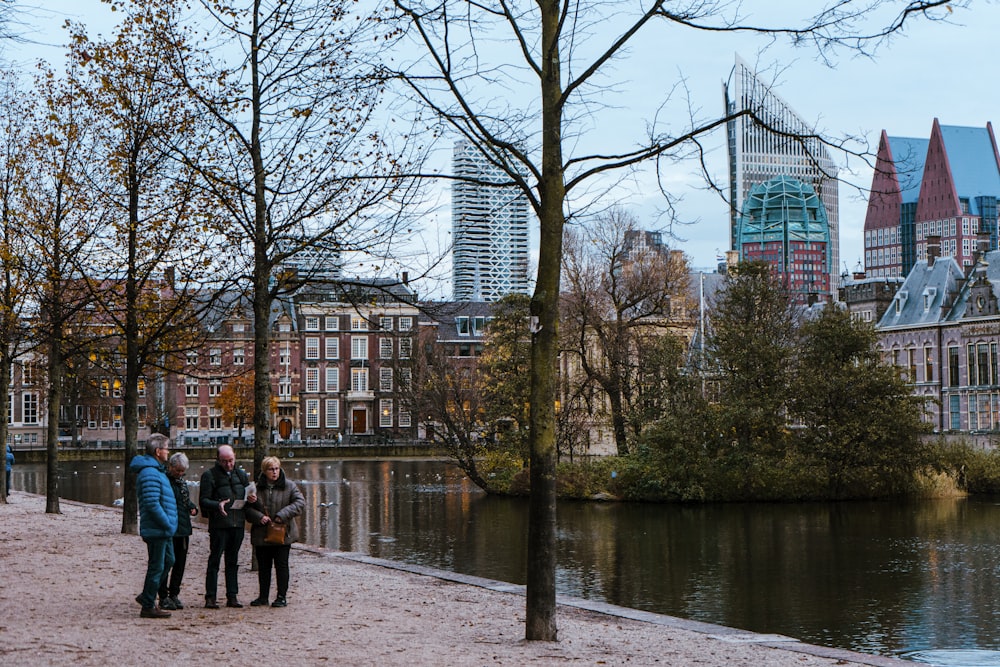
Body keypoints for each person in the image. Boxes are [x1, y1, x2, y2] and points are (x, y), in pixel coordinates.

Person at [200, 444, 255, 608]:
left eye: (231, 461)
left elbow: (248, 496)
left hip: (237, 523)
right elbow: (203, 500)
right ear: (218, 460)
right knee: (214, 560)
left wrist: (252, 499)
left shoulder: (241, 474)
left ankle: (232, 595)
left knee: (233, 561)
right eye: (225, 462)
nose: (229, 464)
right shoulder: (209, 475)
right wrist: (218, 505)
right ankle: (210, 596)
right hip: (219, 524)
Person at [246, 456, 305, 608]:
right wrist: (259, 517)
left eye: (277, 468)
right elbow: (246, 509)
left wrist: (282, 515)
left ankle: (281, 596)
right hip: (261, 533)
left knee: (281, 565)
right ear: (264, 471)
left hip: (283, 533)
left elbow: (300, 503)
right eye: (271, 469)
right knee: (264, 567)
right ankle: (263, 596)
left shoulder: (289, 486)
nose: (274, 472)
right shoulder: (255, 488)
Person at [130, 433, 178, 619]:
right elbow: (151, 503)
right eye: (166, 448)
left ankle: (147, 596)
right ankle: (148, 604)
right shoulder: (150, 472)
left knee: (168, 560)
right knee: (157, 565)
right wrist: (166, 523)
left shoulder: (155, 470)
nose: (168, 452)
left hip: (162, 529)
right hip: (158, 528)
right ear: (158, 451)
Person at [158, 452, 198, 610]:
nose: (180, 474)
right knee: (167, 562)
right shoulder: (164, 481)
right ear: (171, 467)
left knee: (180, 563)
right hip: (170, 528)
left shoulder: (181, 483)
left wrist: (192, 507)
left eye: (182, 471)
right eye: (178, 471)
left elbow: (185, 501)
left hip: (183, 528)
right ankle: (163, 595)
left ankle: (174, 593)